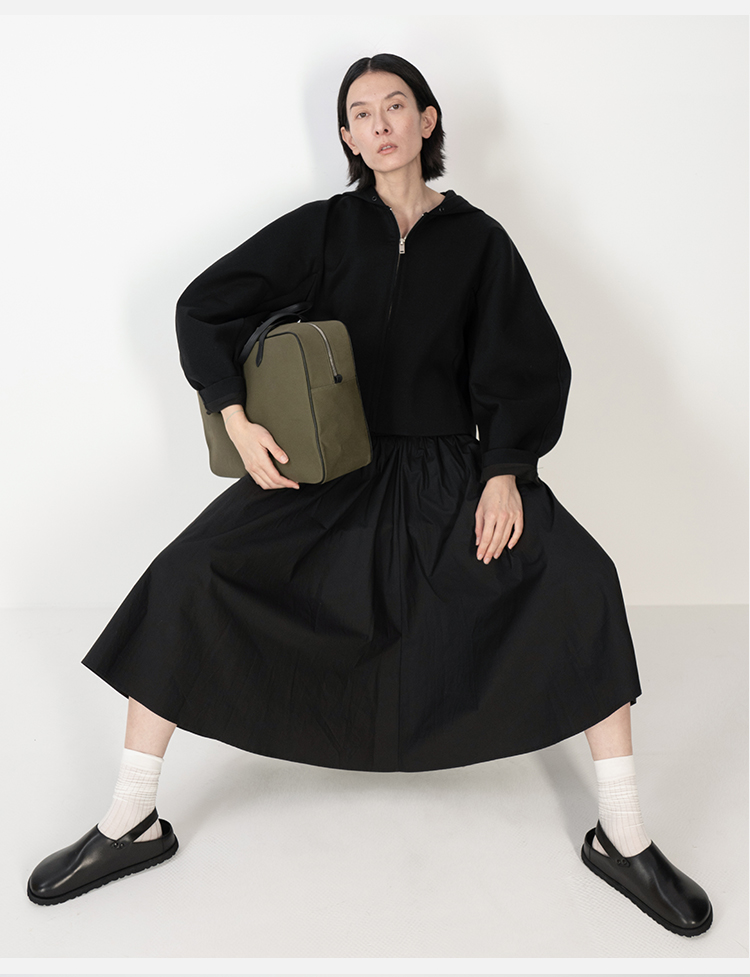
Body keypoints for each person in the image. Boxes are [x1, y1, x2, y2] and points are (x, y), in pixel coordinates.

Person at [27, 54, 712, 937]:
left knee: (582, 576)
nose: (381, 123)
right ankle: (131, 817)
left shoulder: (479, 242)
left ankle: (623, 835)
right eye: (362, 112)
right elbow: (204, 307)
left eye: (397, 105)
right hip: (330, 469)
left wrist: (505, 470)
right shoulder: (322, 229)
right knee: (188, 574)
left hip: (450, 473)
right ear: (348, 137)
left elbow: (530, 365)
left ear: (428, 121)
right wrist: (234, 414)